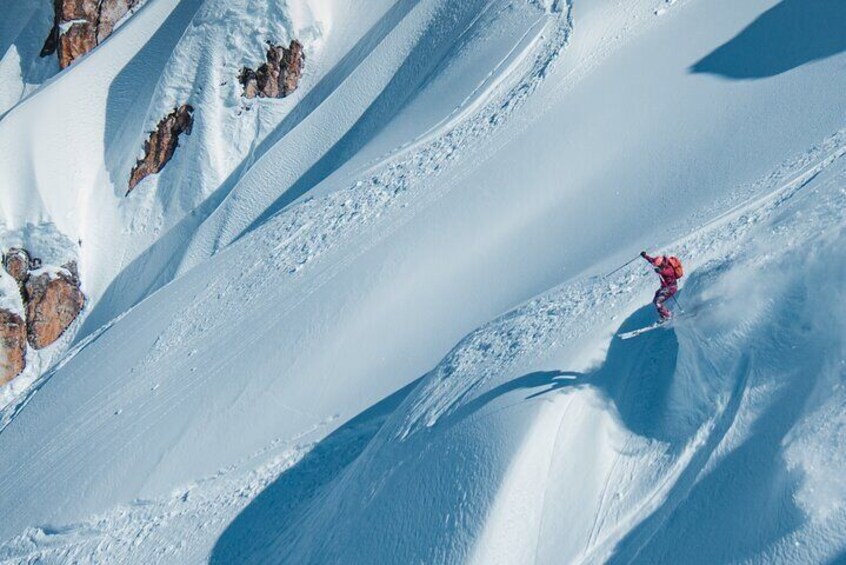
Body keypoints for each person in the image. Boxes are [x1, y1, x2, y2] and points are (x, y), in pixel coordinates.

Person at [640, 251, 682, 321]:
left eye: (659, 265)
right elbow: (652, 260)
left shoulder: (669, 268)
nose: (658, 266)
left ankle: (667, 316)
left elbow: (667, 272)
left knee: (657, 302)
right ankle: (664, 314)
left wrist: (660, 271)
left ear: (662, 263)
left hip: (671, 288)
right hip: (664, 287)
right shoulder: (660, 263)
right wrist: (645, 256)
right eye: (658, 266)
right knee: (655, 300)